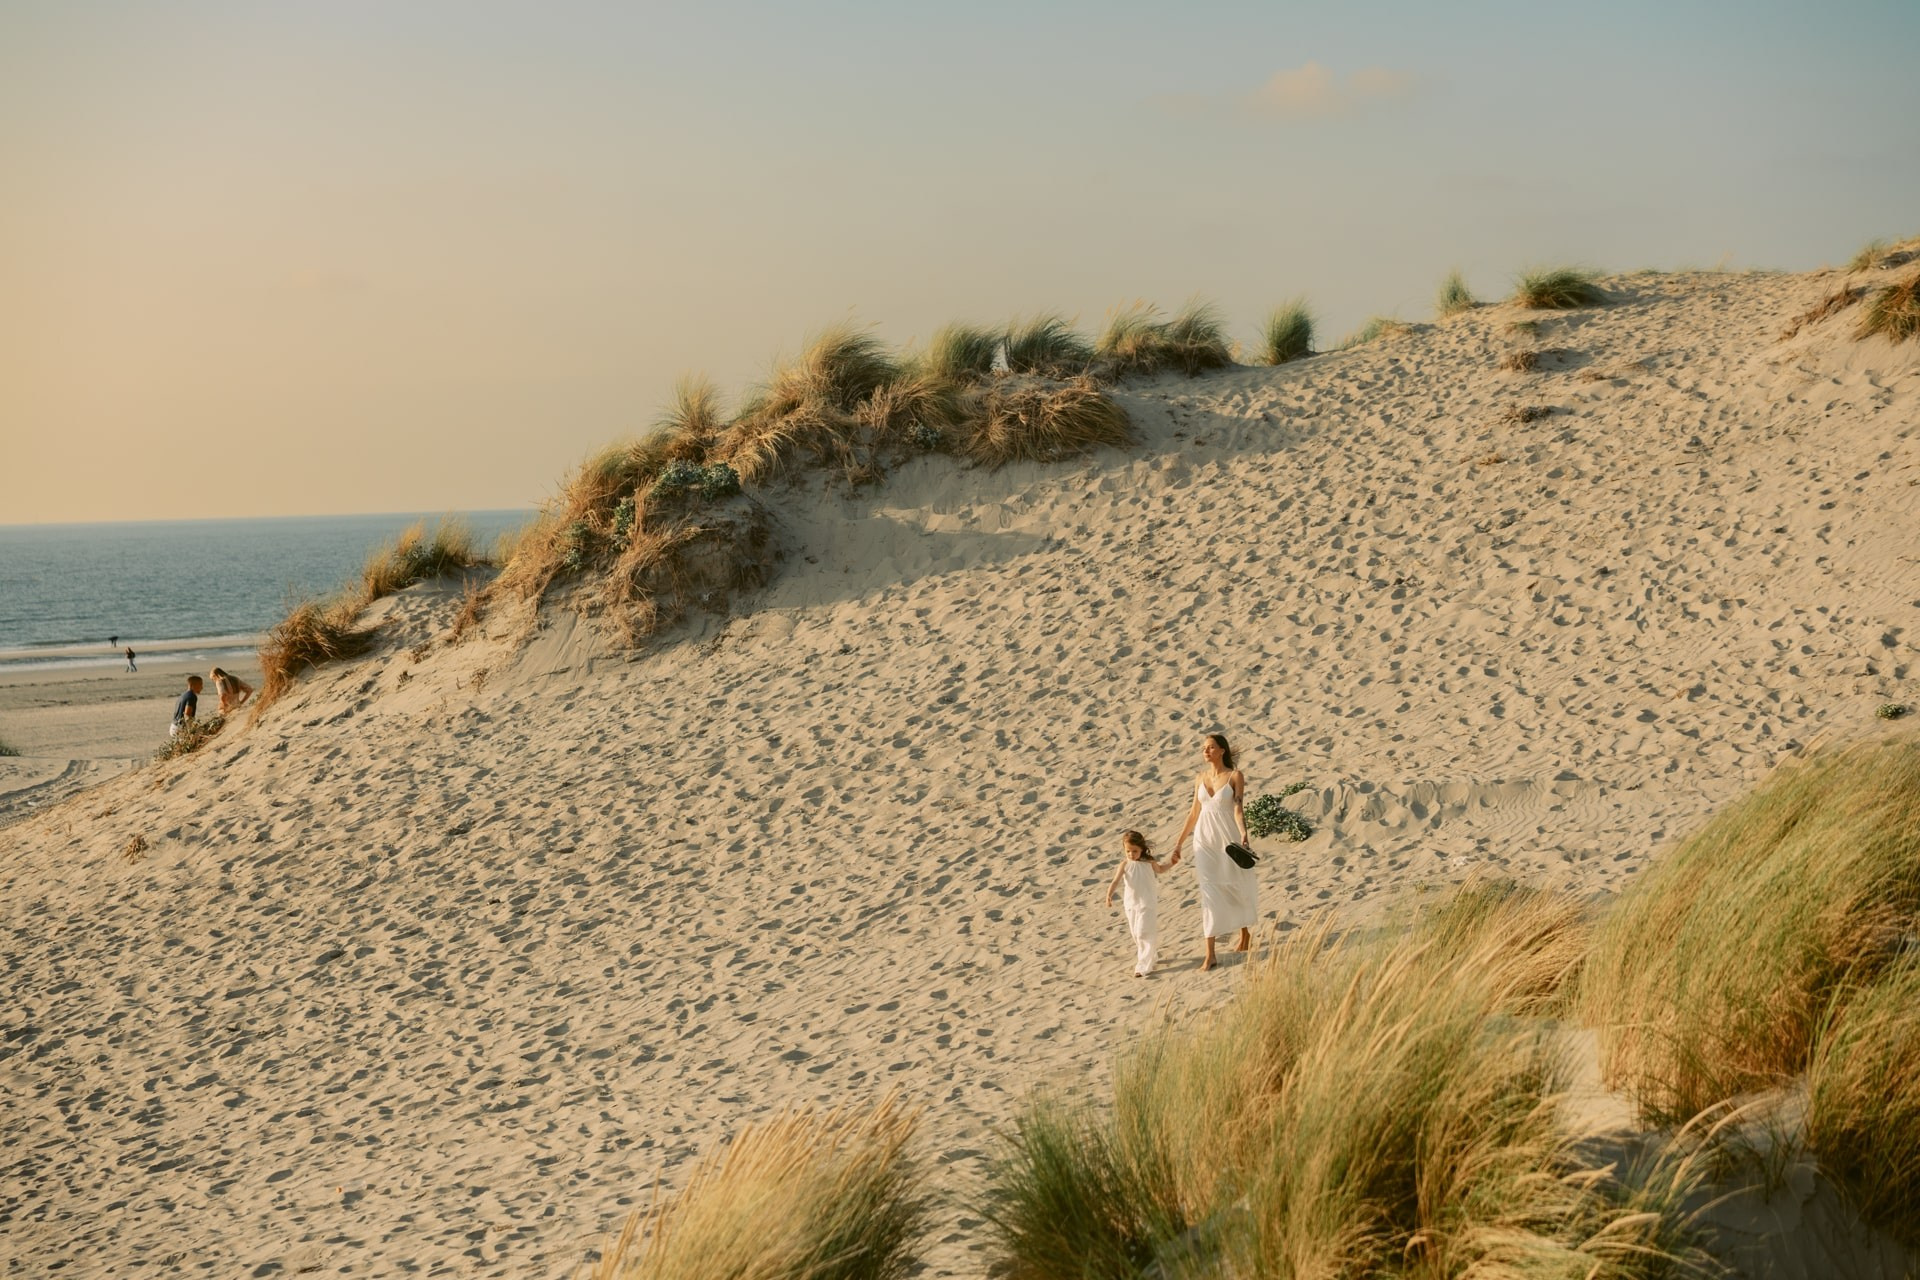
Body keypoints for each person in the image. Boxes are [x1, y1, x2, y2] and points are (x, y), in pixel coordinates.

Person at [1170, 732, 1257, 971]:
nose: (1205, 751)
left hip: (1227, 839)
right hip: (1203, 841)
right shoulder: (1200, 778)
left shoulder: (1235, 776)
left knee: (1233, 885)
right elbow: (1193, 813)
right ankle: (1210, 954)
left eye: (1210, 747)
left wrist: (1243, 833)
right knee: (1208, 893)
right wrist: (1178, 844)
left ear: (1222, 751)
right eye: (1203, 748)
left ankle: (1245, 933)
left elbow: (1238, 808)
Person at [1104, 829, 1173, 977]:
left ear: (1142, 849)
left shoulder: (1149, 862)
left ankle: (1143, 966)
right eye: (1128, 851)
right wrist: (1109, 895)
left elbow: (1160, 870)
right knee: (1136, 934)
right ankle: (1151, 956)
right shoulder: (1124, 864)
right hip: (1131, 904)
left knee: (1143, 932)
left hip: (1147, 902)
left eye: (1134, 851)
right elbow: (1115, 881)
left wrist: (1172, 863)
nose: (1131, 854)